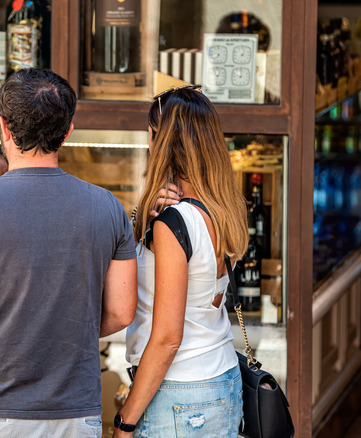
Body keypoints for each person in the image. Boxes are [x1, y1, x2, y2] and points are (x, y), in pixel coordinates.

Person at [0, 68, 138, 438]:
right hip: (73, 416)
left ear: (4, 128)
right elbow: (120, 312)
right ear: (68, 132)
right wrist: (61, 326)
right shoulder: (108, 207)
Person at [112, 85, 249, 437]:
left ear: (162, 142)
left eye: (151, 135)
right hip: (221, 377)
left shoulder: (174, 224)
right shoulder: (223, 209)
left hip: (180, 393)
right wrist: (147, 215)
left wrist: (125, 420)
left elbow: (168, 338)